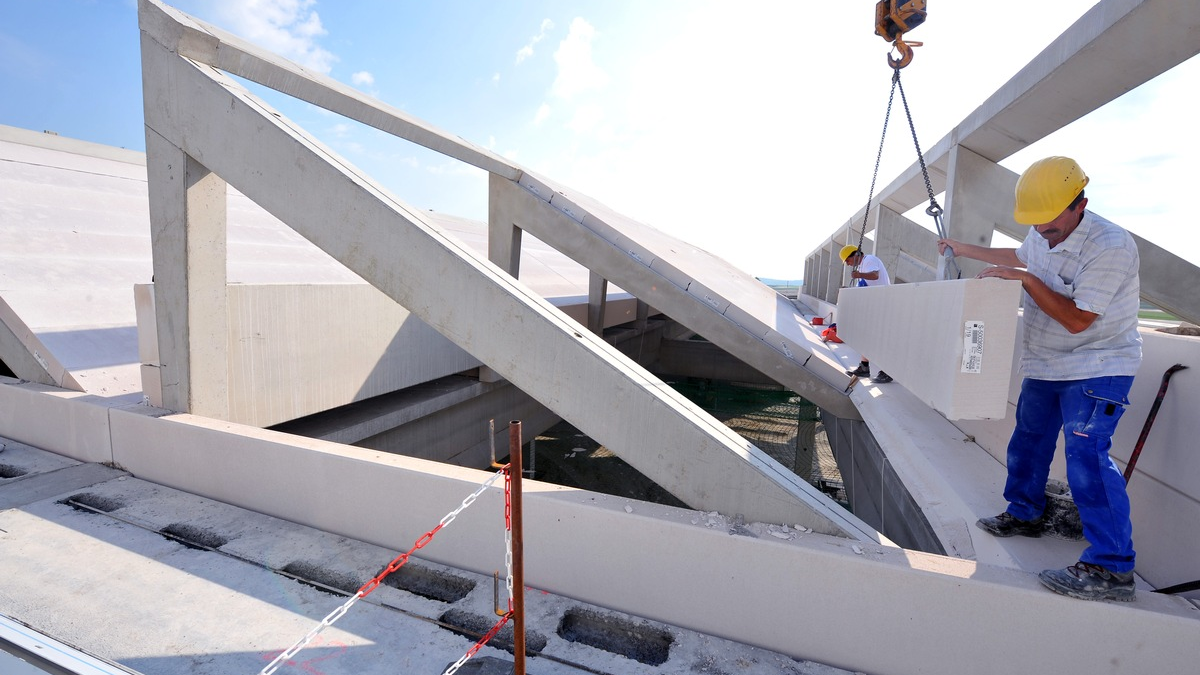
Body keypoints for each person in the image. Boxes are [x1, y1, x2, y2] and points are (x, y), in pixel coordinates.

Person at [938, 156, 1142, 601]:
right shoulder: (1042, 227)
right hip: (1047, 362)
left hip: (1098, 364)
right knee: (1029, 439)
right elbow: (1021, 255)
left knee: (1087, 456)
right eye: (1036, 226)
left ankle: (1112, 569)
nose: (1043, 231)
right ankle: (1025, 514)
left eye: (1050, 225)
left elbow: (1077, 320)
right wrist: (964, 248)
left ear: (1080, 204)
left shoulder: (1110, 245)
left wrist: (1026, 280)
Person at [839, 245, 893, 383]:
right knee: (866, 336)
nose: (848, 264)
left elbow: (875, 275)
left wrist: (859, 275)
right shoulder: (863, 266)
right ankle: (864, 367)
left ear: (855, 255)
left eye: (848, 261)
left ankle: (887, 371)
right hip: (874, 305)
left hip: (882, 304)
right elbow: (864, 286)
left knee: (880, 339)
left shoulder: (869, 260)